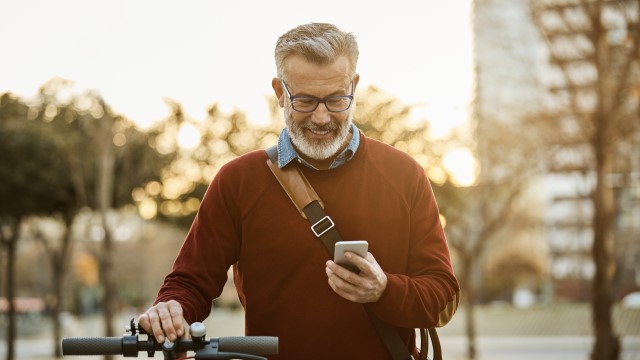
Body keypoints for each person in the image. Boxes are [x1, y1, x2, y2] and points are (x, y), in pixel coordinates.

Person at [138, 22, 460, 360]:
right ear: (279, 92)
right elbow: (190, 284)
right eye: (304, 100)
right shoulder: (237, 181)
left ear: (354, 86)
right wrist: (170, 308)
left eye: (336, 99)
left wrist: (384, 290)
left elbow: (443, 297)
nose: (321, 117)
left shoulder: (405, 174)